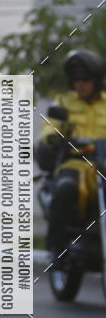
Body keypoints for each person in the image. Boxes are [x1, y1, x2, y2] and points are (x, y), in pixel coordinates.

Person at [39, 49, 106, 265]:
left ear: (96, 79)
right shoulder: (64, 102)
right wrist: (53, 137)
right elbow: (51, 126)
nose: (80, 84)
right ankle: (57, 247)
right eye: (76, 79)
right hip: (75, 163)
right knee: (66, 188)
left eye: (85, 79)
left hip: (103, 163)